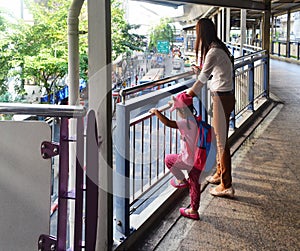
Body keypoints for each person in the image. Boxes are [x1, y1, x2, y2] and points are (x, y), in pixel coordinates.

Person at [186, 18, 235, 198]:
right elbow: (209, 72)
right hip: (225, 97)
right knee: (218, 138)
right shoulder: (218, 48)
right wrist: (199, 70)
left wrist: (186, 96)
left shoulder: (213, 51)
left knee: (221, 143)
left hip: (221, 99)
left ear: (202, 33)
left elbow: (202, 80)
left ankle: (226, 184)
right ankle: (219, 174)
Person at [149, 92, 202, 220]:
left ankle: (181, 180)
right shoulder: (195, 119)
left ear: (182, 111)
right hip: (198, 159)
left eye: (177, 110)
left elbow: (168, 123)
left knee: (169, 160)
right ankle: (194, 210)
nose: (177, 113)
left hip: (187, 159)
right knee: (195, 184)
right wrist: (173, 104)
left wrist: (157, 112)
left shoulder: (184, 123)